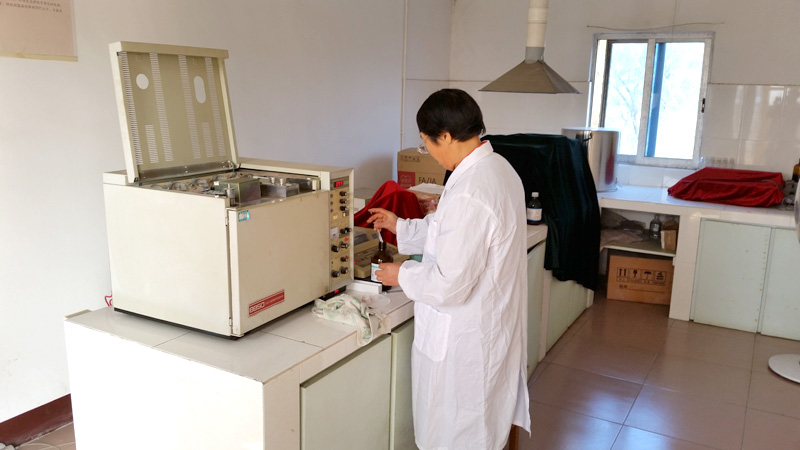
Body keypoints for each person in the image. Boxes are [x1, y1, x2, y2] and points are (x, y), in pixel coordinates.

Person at [367, 89, 531, 450]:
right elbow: (450, 232)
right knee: (477, 427)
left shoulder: (472, 190)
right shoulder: (497, 169)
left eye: (426, 143)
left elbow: (450, 283)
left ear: (445, 136)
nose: (428, 150)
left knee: (458, 433)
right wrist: (400, 226)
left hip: (466, 341)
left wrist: (400, 274)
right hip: (489, 326)